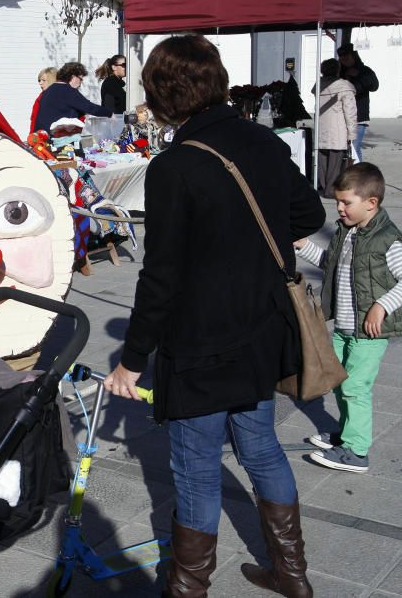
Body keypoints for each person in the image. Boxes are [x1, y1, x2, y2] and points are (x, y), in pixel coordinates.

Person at [104, 35, 324, 598]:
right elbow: (310, 211)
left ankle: (187, 589)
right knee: (261, 446)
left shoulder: (176, 164)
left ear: (164, 95)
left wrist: (132, 360)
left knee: (197, 465)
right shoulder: (263, 141)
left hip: (200, 340)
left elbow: (161, 275)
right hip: (262, 326)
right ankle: (294, 577)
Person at [294, 163, 402, 473]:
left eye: (346, 203)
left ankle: (357, 451)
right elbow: (331, 264)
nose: (339, 209)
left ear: (371, 203)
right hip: (344, 327)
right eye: (338, 202)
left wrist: (381, 305)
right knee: (341, 384)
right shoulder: (347, 231)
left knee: (356, 387)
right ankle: (346, 434)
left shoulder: (387, 240)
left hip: (369, 333)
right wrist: (304, 247)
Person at [314, 58, 357, 198]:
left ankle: (324, 188)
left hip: (321, 129)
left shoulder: (319, 85)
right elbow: (350, 112)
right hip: (338, 131)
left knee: (323, 162)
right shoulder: (344, 86)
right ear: (338, 69)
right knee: (335, 164)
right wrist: (352, 134)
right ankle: (331, 191)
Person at [31, 61, 113, 134]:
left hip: (40, 136)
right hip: (55, 139)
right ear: (73, 77)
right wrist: (110, 114)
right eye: (80, 79)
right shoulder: (68, 91)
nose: (81, 83)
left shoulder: (49, 90)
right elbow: (90, 107)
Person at [337, 42, 379, 162]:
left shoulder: (364, 70)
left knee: (354, 148)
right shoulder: (339, 72)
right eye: (342, 57)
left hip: (358, 117)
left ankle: (358, 176)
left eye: (347, 56)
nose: (344, 59)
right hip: (341, 116)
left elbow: (374, 86)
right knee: (342, 149)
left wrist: (358, 75)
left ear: (353, 56)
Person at [29, 66, 57, 134]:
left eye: (43, 80)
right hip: (40, 137)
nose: (40, 83)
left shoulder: (62, 97)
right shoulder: (40, 98)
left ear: (52, 80)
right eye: (39, 80)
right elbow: (34, 119)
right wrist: (31, 135)